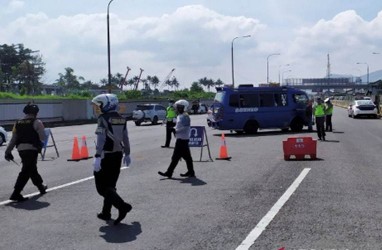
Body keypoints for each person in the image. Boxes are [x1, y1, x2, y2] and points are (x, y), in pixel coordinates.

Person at [91, 94, 132, 225]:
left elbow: (101, 138)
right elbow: (125, 138)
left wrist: (97, 156)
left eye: (100, 105)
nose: (98, 108)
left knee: (102, 188)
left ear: (107, 105)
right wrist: (128, 153)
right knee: (111, 186)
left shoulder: (102, 119)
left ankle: (122, 206)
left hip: (106, 155)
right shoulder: (121, 118)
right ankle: (106, 213)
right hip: (118, 155)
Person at [4, 103, 47, 202]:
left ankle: (41, 187)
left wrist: (7, 152)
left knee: (31, 168)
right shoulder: (37, 122)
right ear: (36, 113)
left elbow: (13, 139)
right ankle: (16, 193)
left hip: (21, 150)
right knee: (26, 171)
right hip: (32, 150)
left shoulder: (17, 123)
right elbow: (43, 138)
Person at [158, 99, 195, 178]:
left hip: (182, 140)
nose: (177, 109)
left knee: (175, 157)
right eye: (178, 107)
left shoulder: (185, 116)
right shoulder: (180, 116)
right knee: (187, 157)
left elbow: (184, 127)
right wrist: (174, 128)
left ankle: (169, 172)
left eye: (179, 107)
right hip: (181, 139)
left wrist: (175, 130)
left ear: (184, 108)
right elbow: (179, 126)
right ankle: (191, 172)